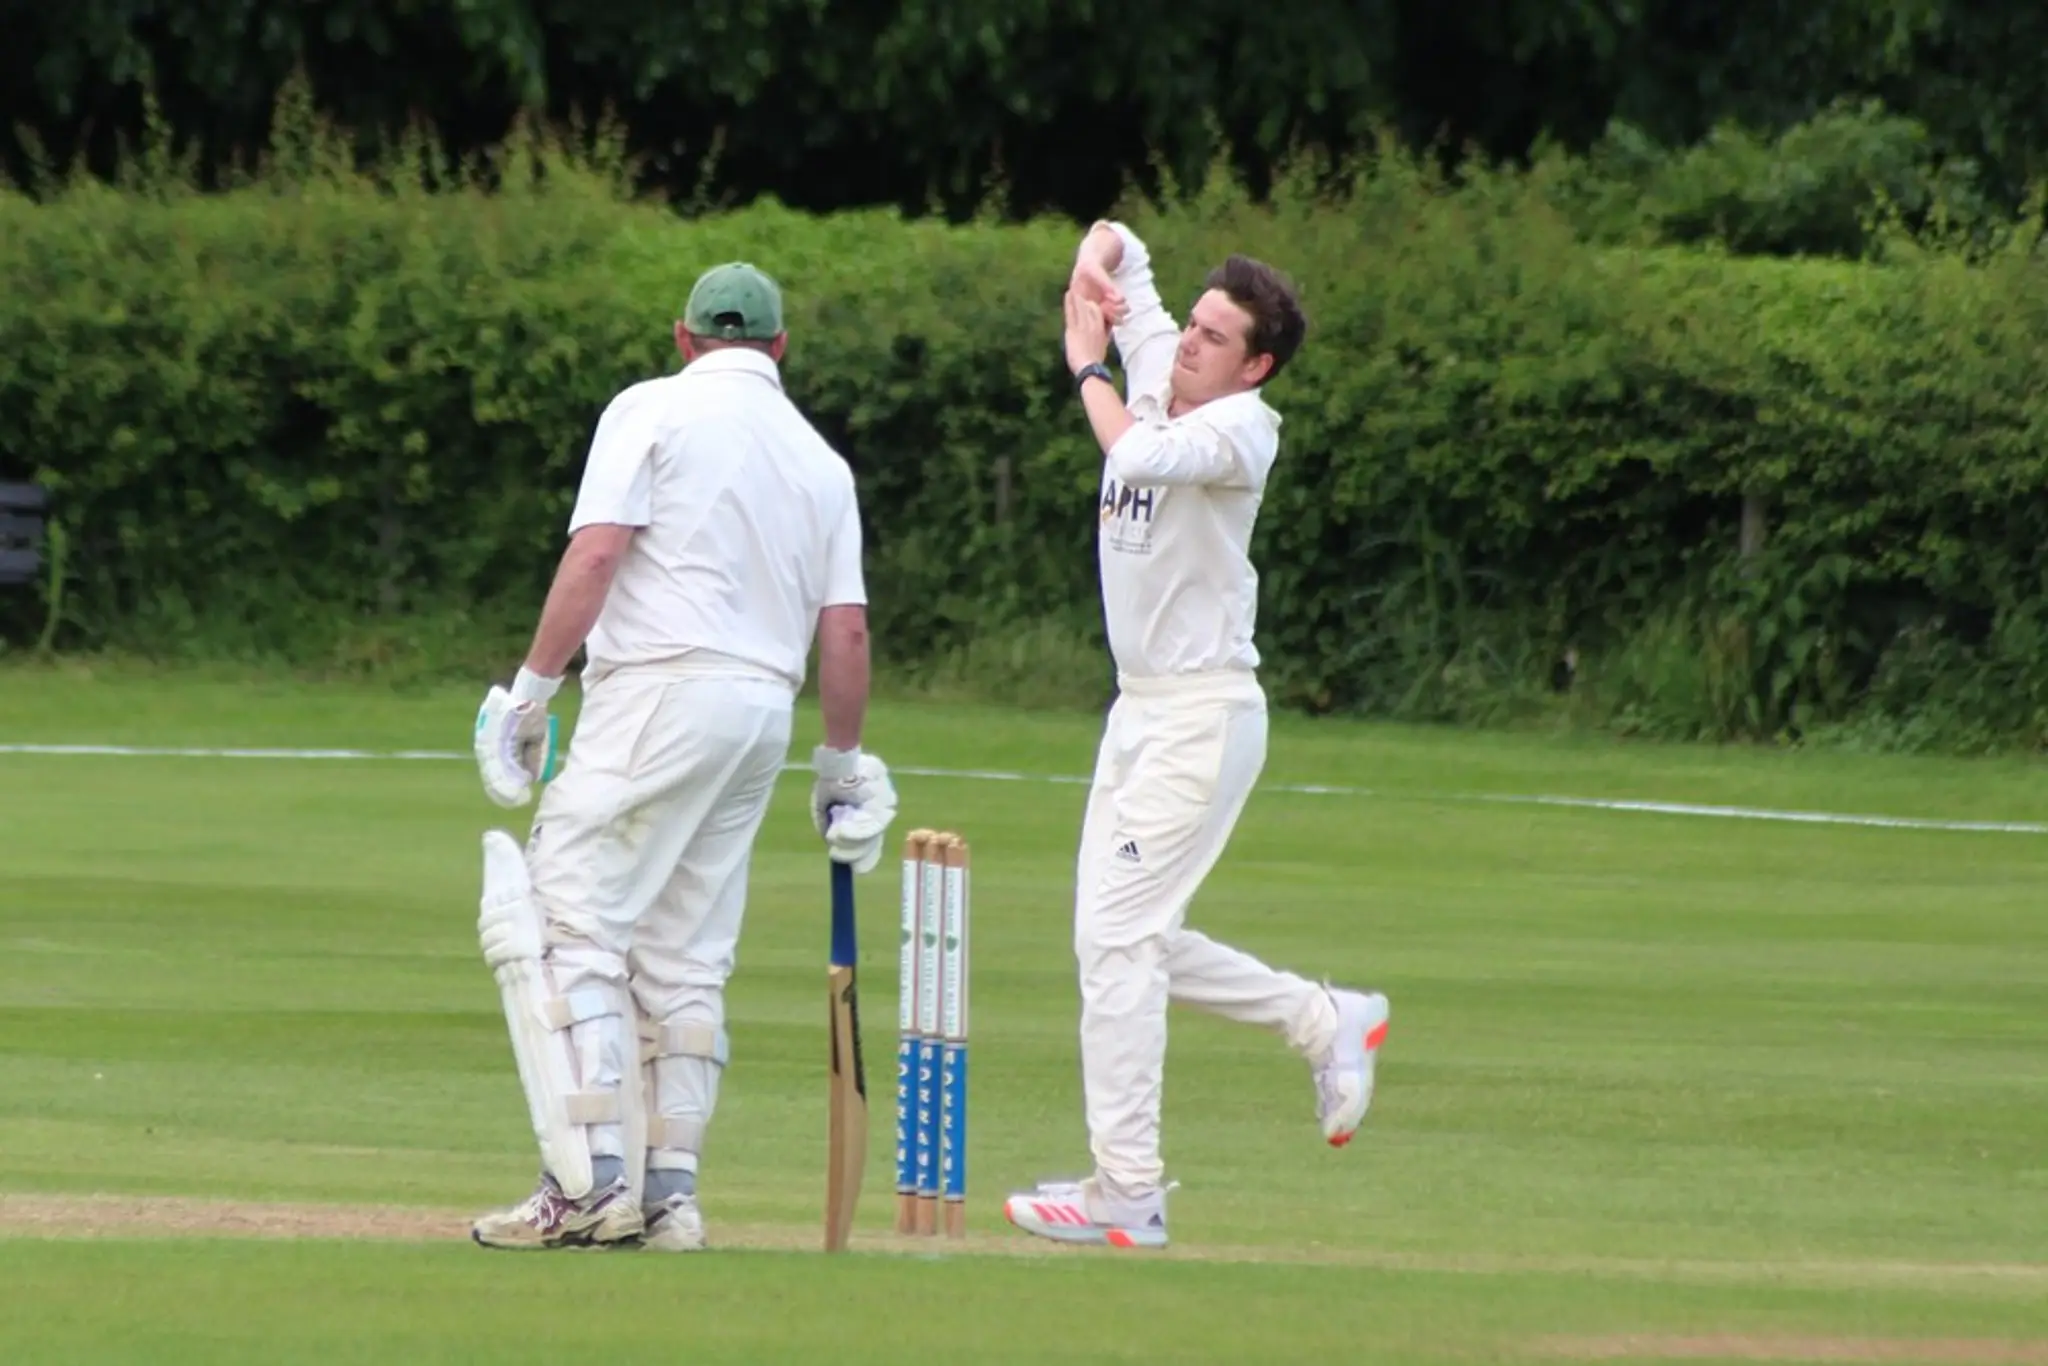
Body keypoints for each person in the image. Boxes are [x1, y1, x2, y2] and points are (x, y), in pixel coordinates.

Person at [465, 262, 898, 1252]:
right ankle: (669, 1197)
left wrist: (530, 692)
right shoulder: (821, 461)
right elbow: (846, 630)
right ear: (779, 347)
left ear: (683, 337)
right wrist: (840, 766)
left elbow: (597, 554)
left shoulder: (649, 409)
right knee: (686, 953)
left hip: (658, 691)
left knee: (569, 917)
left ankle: (587, 1184)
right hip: (760, 715)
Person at [1001, 222, 1391, 1249]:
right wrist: (1096, 263)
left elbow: (1131, 450)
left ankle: (1127, 1191)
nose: (1188, 344)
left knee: (1118, 942)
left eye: (1215, 339)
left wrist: (1085, 362)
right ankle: (1325, 1021)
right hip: (1137, 711)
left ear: (1254, 366)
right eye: (1194, 325)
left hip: (1201, 715)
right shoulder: (1161, 364)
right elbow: (1118, 247)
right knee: (1120, 940)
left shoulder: (1240, 431)